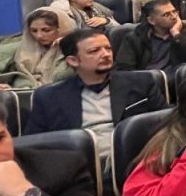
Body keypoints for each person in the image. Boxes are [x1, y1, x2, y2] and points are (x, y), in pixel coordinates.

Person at [26, 30, 167, 153]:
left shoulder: (141, 82)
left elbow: (167, 124)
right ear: (73, 61)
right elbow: (35, 143)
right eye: (94, 51)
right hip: (80, 164)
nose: (105, 54)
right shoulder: (48, 97)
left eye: (108, 49)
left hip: (135, 158)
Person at [0, 8, 73, 89]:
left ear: (61, 28)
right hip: (21, 96)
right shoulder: (19, 48)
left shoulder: (75, 49)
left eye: (46, 30)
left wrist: (67, 46)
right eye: (34, 31)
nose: (39, 36)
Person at [115, 0, 186, 77]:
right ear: (151, 20)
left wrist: (176, 35)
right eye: (166, 14)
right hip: (148, 82)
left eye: (174, 12)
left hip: (177, 81)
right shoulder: (135, 38)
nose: (174, 17)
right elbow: (125, 70)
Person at [53, 0, 119, 33]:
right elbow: (56, 12)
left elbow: (119, 28)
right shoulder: (67, 13)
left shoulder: (97, 8)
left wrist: (107, 21)